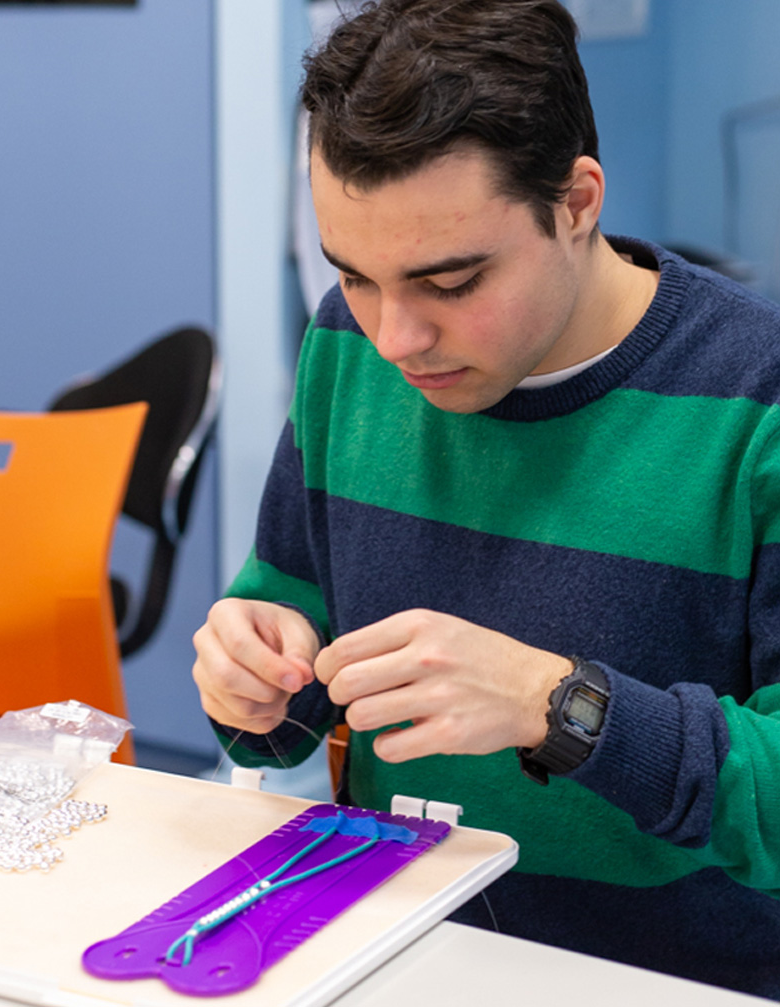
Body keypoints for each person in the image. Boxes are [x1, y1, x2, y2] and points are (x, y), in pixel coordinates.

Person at [191, 0, 780, 996]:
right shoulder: (345, 345)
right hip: (389, 956)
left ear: (576, 199)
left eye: (450, 281)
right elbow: (286, 669)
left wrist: (555, 705)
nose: (393, 338)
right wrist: (248, 675)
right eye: (355, 275)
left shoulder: (751, 397)